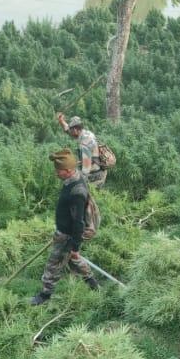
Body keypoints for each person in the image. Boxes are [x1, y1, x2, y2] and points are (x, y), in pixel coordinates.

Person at [30, 149, 99, 306]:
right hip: (64, 231)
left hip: (68, 234)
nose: (56, 174)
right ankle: (93, 284)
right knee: (73, 261)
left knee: (53, 264)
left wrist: (75, 247)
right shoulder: (73, 179)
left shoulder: (77, 192)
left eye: (58, 171)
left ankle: (45, 295)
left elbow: (78, 222)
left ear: (68, 171)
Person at [56, 113, 107, 186]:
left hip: (95, 174)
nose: (70, 132)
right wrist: (61, 121)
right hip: (96, 168)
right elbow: (67, 129)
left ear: (75, 129)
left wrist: (72, 179)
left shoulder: (85, 143)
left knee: (70, 181)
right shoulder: (84, 133)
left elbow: (86, 170)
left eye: (71, 129)